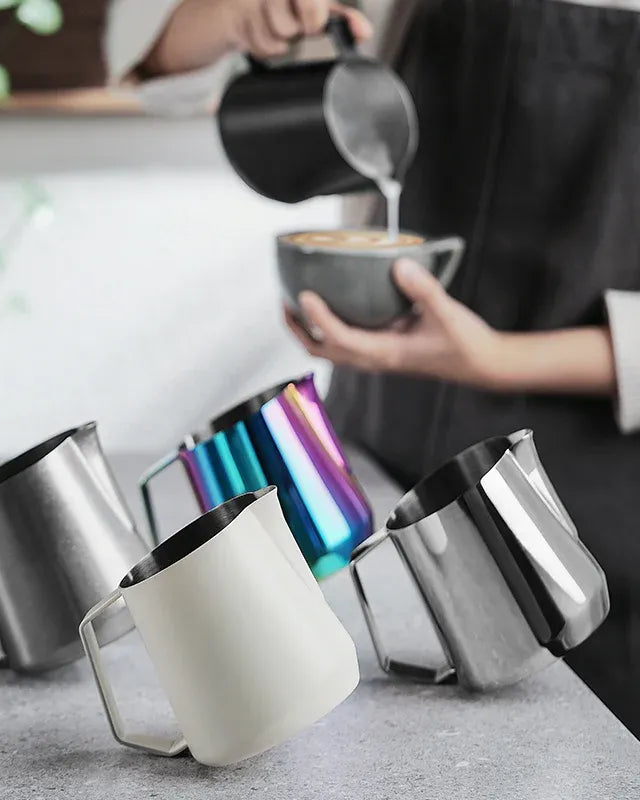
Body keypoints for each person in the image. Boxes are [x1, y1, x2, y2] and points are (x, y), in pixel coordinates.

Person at [105, 0, 640, 734]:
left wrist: (499, 358)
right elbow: (151, 57)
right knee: (347, 712)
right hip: (378, 435)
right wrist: (237, 16)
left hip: (592, 496)